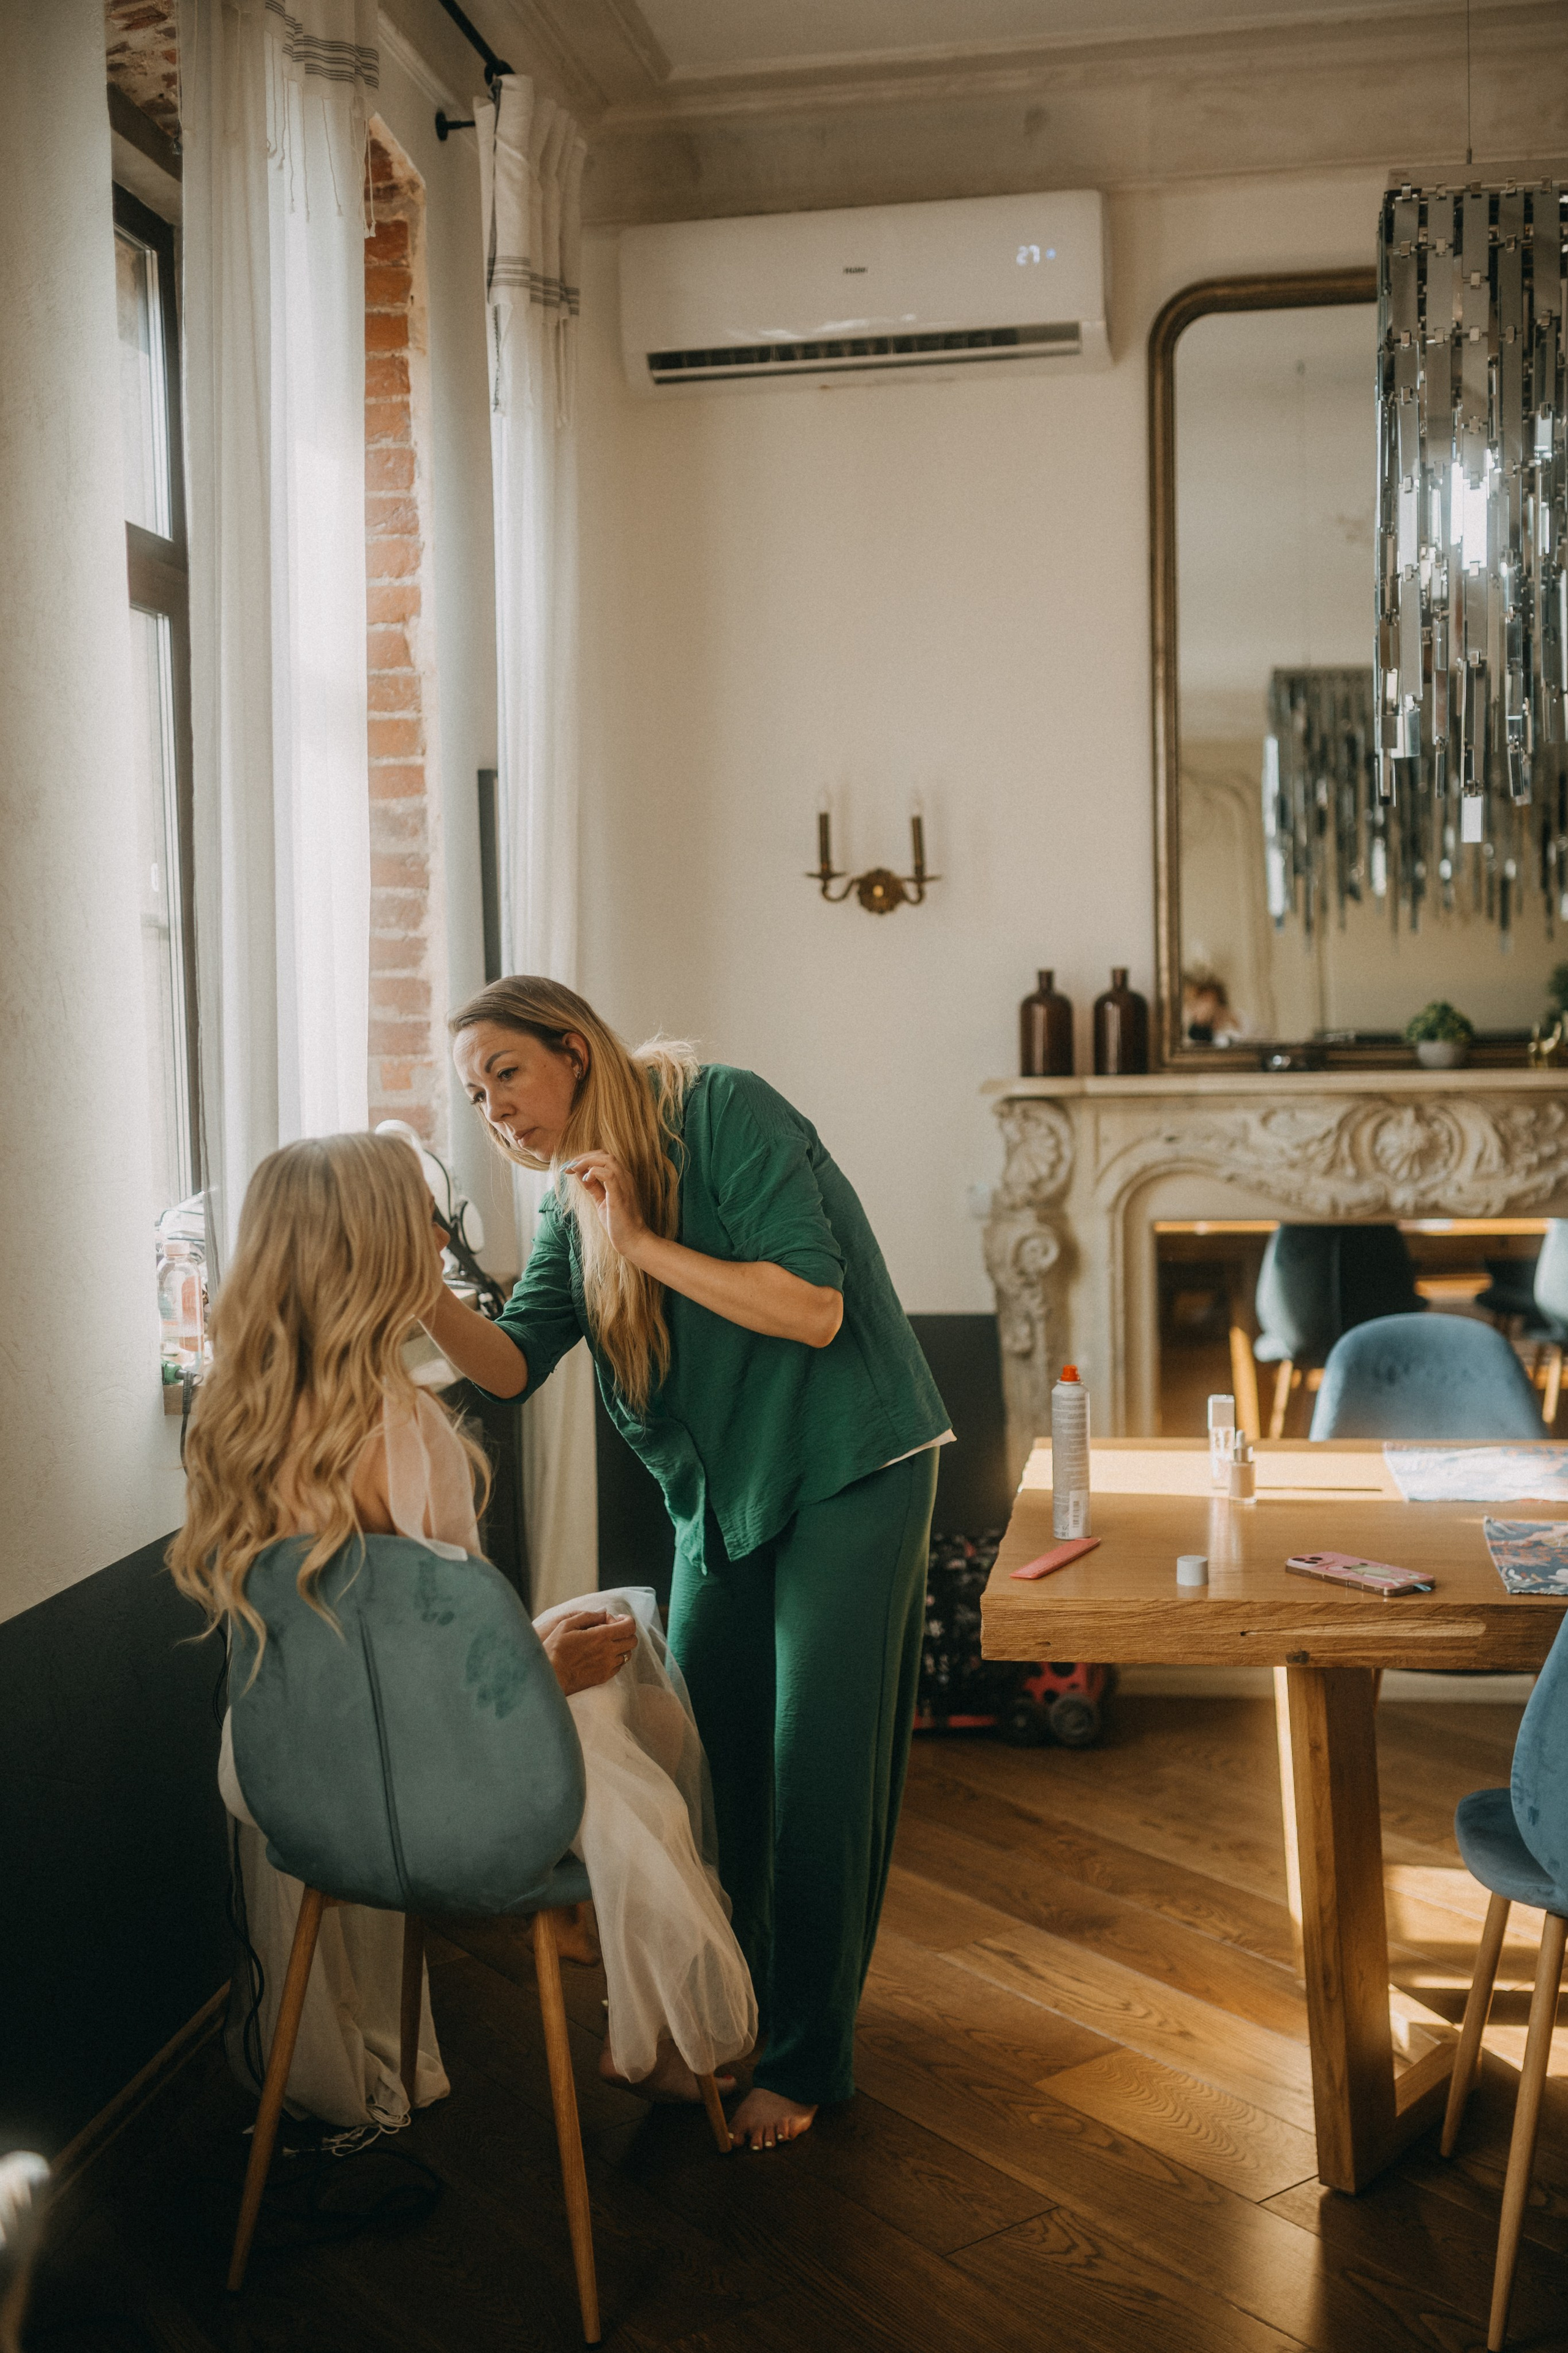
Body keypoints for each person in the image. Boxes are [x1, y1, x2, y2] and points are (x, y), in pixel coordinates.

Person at [425, 978, 950, 2151]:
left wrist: (641, 1245)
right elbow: (511, 1363)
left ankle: (808, 2057)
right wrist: (414, 1282)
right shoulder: (573, 1200)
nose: (495, 1111)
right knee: (708, 1762)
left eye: (507, 1073)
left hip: (850, 1461)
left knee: (818, 1768)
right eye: (476, 1096)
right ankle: (729, 2018)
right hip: (725, 1491)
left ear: (573, 1049)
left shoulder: (722, 1111)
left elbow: (813, 1306)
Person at [168, 1132, 755, 2131]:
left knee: (611, 1631)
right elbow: (447, 1692)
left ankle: (597, 1940)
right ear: (375, 1248)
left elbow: (377, 1655)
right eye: (421, 1223)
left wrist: (542, 1654)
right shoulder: (407, 1433)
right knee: (628, 1695)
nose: (440, 1239)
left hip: (284, 1771)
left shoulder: (228, 1422)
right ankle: (636, 2009)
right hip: (419, 1776)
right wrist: (543, 1668)